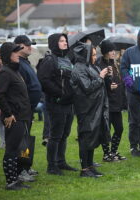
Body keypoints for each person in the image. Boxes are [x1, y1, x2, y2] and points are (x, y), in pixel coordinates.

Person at [37, 33, 77, 175]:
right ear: (54, 43)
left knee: (65, 134)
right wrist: (61, 93)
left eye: (65, 40)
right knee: (55, 135)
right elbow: (44, 81)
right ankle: (52, 166)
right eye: (61, 41)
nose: (65, 43)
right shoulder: (49, 60)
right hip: (56, 103)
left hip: (69, 103)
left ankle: (61, 162)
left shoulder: (66, 59)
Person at [0, 42, 31, 190]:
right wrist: (8, 113)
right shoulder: (5, 72)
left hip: (22, 116)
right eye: (15, 52)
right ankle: (11, 182)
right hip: (14, 118)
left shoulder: (15, 71)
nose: (18, 55)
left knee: (19, 150)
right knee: (12, 149)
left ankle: (16, 178)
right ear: (8, 55)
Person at [71, 42, 109, 178]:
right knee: (86, 139)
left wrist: (104, 77)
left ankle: (90, 166)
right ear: (85, 55)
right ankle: (84, 169)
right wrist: (100, 77)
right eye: (92, 55)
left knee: (92, 138)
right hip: (86, 110)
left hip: (95, 109)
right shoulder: (78, 68)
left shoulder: (89, 67)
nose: (95, 57)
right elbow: (87, 87)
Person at [120, 28, 140, 156]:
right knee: (134, 120)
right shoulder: (129, 52)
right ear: (139, 38)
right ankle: (133, 147)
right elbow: (123, 68)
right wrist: (129, 83)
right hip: (133, 93)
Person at [14, 35, 42, 180]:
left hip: (29, 109)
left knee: (26, 140)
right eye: (27, 44)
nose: (30, 46)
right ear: (18, 46)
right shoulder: (17, 63)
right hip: (22, 110)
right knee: (21, 142)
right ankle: (21, 171)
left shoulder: (25, 62)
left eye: (30, 44)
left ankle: (26, 166)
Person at [96, 40, 126, 161]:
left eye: (114, 50)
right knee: (106, 130)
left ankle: (113, 152)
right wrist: (109, 86)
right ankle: (106, 154)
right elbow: (98, 81)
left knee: (119, 129)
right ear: (105, 52)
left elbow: (118, 81)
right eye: (110, 50)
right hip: (106, 103)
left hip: (116, 102)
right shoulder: (100, 64)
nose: (113, 52)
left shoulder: (115, 63)